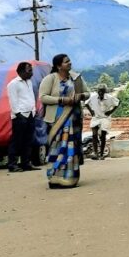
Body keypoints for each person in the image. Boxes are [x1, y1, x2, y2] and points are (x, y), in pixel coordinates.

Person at [38, 53, 89, 189]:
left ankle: (70, 178)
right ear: (58, 65)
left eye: (69, 61)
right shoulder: (50, 79)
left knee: (71, 148)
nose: (70, 63)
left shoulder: (76, 78)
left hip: (74, 118)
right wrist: (61, 100)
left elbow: (87, 93)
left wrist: (81, 96)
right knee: (57, 147)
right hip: (57, 119)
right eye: (66, 62)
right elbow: (43, 97)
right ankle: (54, 178)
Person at [6, 62, 41, 173]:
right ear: (21, 71)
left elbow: (30, 97)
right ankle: (12, 164)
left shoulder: (29, 82)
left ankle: (26, 163)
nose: (31, 73)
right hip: (20, 116)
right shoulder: (13, 84)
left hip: (30, 114)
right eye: (29, 70)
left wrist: (34, 111)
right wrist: (18, 114)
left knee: (28, 140)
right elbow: (13, 100)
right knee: (16, 140)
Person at [85, 84, 119, 160]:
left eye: (102, 91)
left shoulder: (110, 98)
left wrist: (110, 111)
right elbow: (86, 103)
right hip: (96, 117)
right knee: (94, 134)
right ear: (97, 91)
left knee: (103, 135)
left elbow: (117, 103)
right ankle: (95, 153)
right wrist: (91, 112)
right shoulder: (93, 97)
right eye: (99, 91)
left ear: (105, 92)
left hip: (105, 118)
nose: (100, 93)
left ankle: (101, 154)